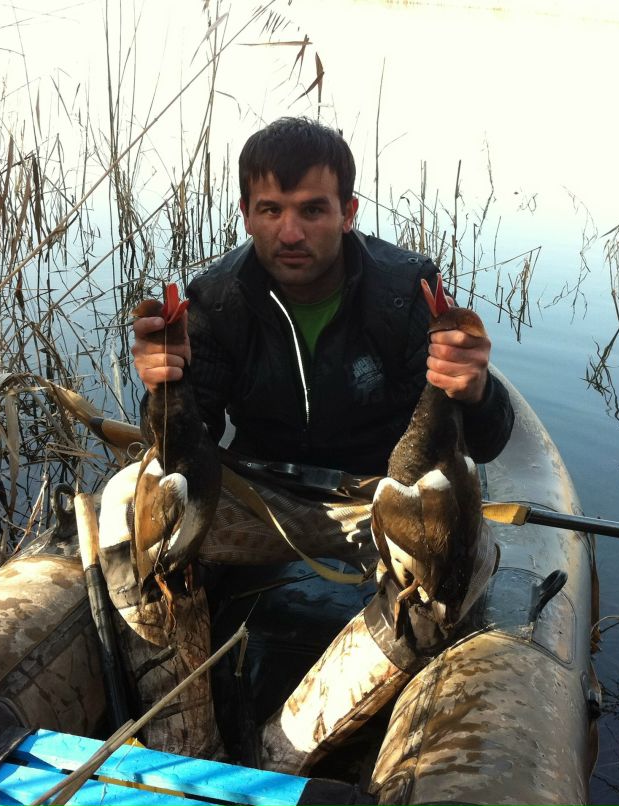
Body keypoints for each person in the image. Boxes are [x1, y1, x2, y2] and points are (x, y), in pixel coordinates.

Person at [104, 117, 514, 771]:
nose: (289, 233)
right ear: (246, 213)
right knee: (130, 503)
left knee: (465, 553)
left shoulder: (404, 295)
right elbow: (187, 450)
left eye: (312, 210)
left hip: (377, 506)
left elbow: (486, 443)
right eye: (270, 210)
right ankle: (188, 749)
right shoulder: (218, 300)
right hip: (261, 498)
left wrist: (475, 387)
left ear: (348, 212)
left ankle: (283, 751)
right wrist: (163, 387)